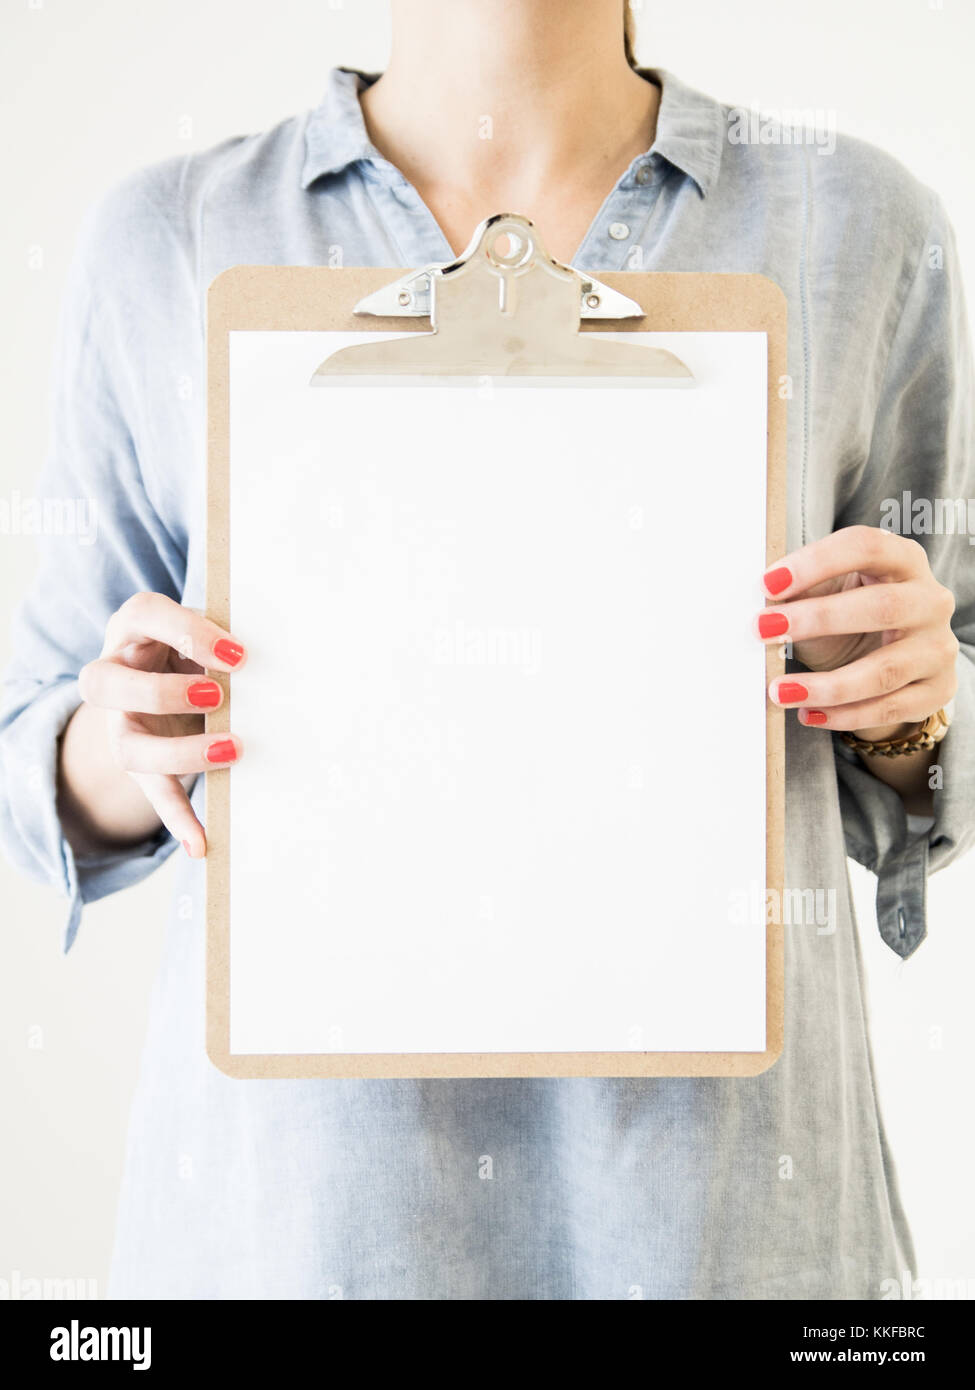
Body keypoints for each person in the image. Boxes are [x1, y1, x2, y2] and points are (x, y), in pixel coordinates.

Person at [1, 0, 972, 1299]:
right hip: (303, 1236)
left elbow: (940, 729)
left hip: (728, 1239)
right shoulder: (168, 235)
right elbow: (33, 753)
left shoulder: (862, 225)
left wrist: (914, 708)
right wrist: (119, 733)